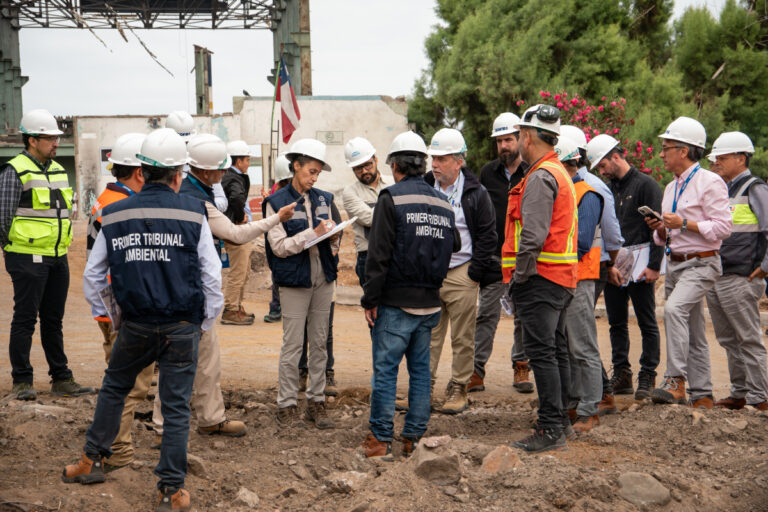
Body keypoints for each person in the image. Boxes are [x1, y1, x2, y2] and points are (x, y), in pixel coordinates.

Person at [64, 128, 223, 512]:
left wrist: (115, 317)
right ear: (177, 175)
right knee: (175, 405)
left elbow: (94, 276)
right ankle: (170, 490)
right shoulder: (192, 212)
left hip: (134, 324)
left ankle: (91, 459)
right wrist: (204, 322)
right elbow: (211, 276)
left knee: (115, 389)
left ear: (143, 170)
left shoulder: (115, 213)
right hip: (182, 326)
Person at [152, 134, 294, 443]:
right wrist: (275, 220)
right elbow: (234, 234)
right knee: (182, 360)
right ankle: (173, 426)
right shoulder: (196, 199)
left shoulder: (193, 189)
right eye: (220, 169)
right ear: (206, 172)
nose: (223, 173)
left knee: (204, 359)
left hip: (180, 287)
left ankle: (208, 417)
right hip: (190, 290)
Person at [361, 131, 457, 460]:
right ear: (423, 165)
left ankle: (379, 441)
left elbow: (378, 256)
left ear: (396, 166)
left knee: (385, 371)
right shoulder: (443, 202)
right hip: (430, 302)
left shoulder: (391, 198)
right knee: (420, 373)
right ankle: (413, 439)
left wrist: (370, 300)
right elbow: (454, 244)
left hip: (395, 303)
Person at [1, 109, 94, 401]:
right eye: (49, 138)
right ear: (31, 140)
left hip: (57, 256)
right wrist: (15, 251)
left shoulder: (56, 170)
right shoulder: (14, 171)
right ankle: (22, 382)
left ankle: (61, 378)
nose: (55, 143)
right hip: (26, 257)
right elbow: (2, 218)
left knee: (53, 319)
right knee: (25, 318)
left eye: (57, 138)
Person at [502, 104, 577, 453]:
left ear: (527, 136)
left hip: (540, 278)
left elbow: (532, 235)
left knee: (542, 354)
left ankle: (550, 429)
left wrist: (518, 278)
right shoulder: (559, 173)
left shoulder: (540, 176)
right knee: (556, 351)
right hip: (560, 278)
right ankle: (561, 423)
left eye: (518, 135)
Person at [646, 117, 732, 408]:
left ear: (684, 151)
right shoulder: (671, 188)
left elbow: (723, 228)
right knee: (693, 331)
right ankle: (703, 394)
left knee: (673, 310)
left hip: (702, 263)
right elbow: (670, 233)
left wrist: (684, 223)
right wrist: (660, 228)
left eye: (666, 147)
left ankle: (675, 380)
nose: (661, 153)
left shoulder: (710, 182)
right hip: (676, 263)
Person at [85, 132, 154, 470]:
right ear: (140, 172)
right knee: (130, 383)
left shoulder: (105, 199)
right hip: (122, 309)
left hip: (108, 307)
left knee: (119, 377)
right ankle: (118, 452)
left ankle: (114, 444)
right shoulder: (122, 207)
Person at [263, 138, 340, 429]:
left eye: (318, 172)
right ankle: (286, 405)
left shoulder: (325, 199)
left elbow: (335, 233)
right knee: (293, 344)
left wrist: (332, 237)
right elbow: (280, 247)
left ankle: (316, 403)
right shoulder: (276, 202)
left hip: (323, 277)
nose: (314, 177)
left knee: (319, 343)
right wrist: (313, 233)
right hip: (294, 280)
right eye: (310, 171)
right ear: (295, 166)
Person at [424, 128, 497, 414]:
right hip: (430, 273)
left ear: (458, 161)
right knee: (428, 334)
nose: (435, 164)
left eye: (441, 158)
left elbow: (488, 235)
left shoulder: (476, 193)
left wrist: (473, 274)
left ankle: (459, 388)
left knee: (463, 337)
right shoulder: (425, 186)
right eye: (433, 158)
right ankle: (423, 388)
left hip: (461, 272)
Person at [587, 134, 663, 402]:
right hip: (615, 265)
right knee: (616, 321)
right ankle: (622, 373)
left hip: (642, 265)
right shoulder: (608, 188)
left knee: (646, 321)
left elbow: (657, 227)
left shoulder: (647, 185)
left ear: (615, 156)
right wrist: (607, 264)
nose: (601, 171)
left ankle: (648, 373)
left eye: (602, 165)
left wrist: (655, 266)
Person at [471, 112, 533, 394]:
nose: (504, 146)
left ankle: (521, 367)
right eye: (499, 141)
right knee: (486, 314)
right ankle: (476, 370)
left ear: (521, 138)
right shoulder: (487, 173)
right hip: (495, 259)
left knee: (523, 316)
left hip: (524, 259)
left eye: (509, 139)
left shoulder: (533, 172)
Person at [706, 131, 768, 411]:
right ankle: (740, 393)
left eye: (722, 157)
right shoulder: (725, 189)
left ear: (740, 158)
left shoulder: (755, 188)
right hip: (720, 275)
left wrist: (764, 268)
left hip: (742, 276)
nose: (716, 162)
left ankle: (760, 398)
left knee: (749, 339)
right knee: (729, 339)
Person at [556, 137, 604, 434]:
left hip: (580, 278)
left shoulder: (586, 194)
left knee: (583, 346)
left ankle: (590, 409)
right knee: (568, 346)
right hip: (563, 278)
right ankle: (575, 402)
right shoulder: (566, 191)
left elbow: (583, 242)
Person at [342, 137, 392, 287]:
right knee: (374, 306)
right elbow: (371, 219)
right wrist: (394, 208)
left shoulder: (393, 183)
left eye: (368, 165)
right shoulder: (350, 193)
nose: (364, 171)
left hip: (395, 252)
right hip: (369, 256)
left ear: (375, 160)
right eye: (358, 168)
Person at [220, 140, 255, 325]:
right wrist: (241, 217)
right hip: (236, 231)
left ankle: (237, 306)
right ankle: (230, 310)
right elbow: (236, 197)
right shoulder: (233, 178)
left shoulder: (231, 176)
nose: (249, 164)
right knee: (238, 271)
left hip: (238, 230)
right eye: (247, 160)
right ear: (238, 161)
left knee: (244, 271)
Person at [165, 110, 228, 212]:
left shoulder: (201, 161)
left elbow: (222, 201)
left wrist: (198, 206)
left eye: (186, 142)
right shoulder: (159, 165)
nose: (183, 147)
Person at [264, 154, 293, 323]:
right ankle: (276, 307)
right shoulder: (277, 196)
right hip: (280, 242)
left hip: (284, 243)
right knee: (278, 276)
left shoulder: (276, 191)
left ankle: (278, 307)